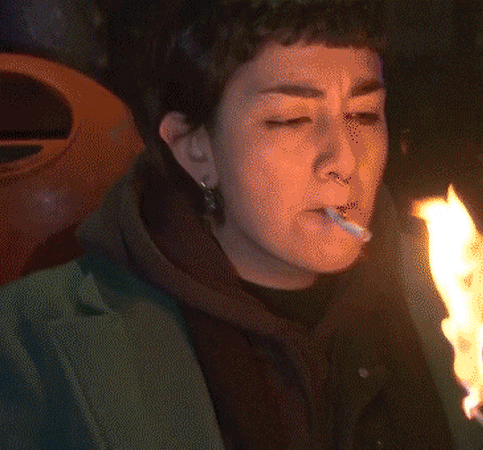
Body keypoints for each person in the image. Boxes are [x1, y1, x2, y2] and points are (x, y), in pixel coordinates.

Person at [0, 0, 455, 448]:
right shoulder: (29, 342)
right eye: (291, 119)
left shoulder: (454, 293)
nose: (345, 160)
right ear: (196, 150)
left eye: (364, 114)